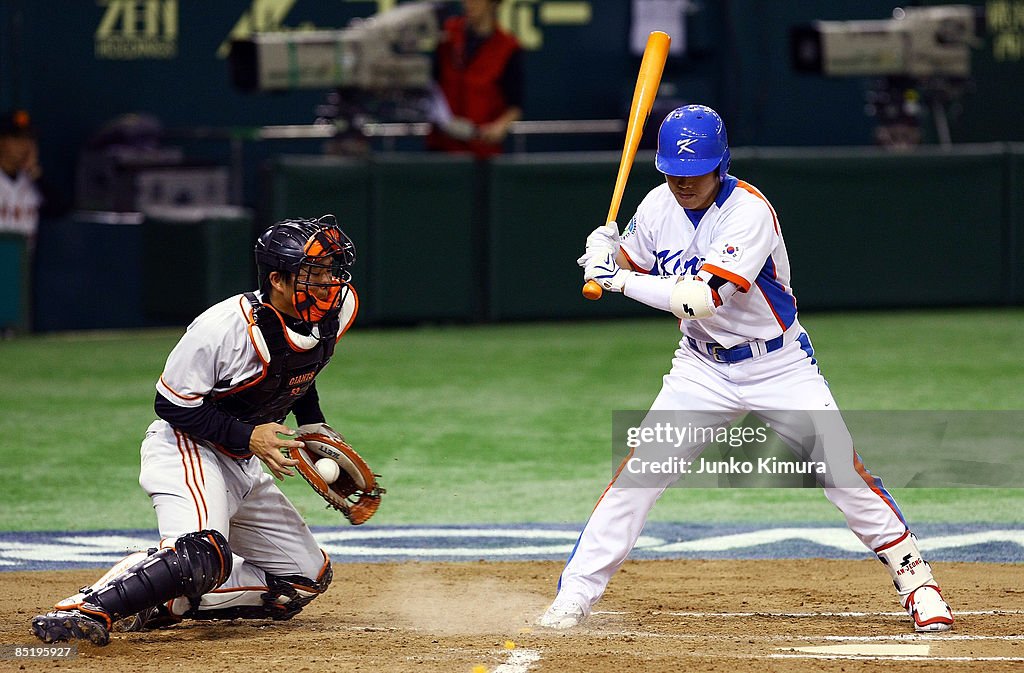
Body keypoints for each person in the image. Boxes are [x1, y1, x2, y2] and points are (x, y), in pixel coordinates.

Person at [537, 105, 954, 633]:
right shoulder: (658, 204)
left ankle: (918, 582)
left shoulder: (749, 211)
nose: (684, 182)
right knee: (639, 476)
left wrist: (614, 279)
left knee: (841, 472)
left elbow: (700, 299)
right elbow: (633, 262)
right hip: (700, 369)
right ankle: (574, 594)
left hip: (777, 363)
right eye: (674, 171)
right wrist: (606, 250)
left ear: (720, 164)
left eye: (696, 171)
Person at [32, 215, 360, 646]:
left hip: (241, 464)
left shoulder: (336, 309)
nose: (327, 284)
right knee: (203, 554)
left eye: (330, 272)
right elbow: (170, 405)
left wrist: (313, 426)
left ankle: (168, 599)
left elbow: (299, 368)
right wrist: (249, 436)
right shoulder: (222, 329)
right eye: (313, 275)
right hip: (187, 447)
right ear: (278, 279)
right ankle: (87, 607)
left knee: (303, 578)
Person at [426, 0, 523, 158]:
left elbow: (514, 106)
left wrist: (499, 127)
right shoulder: (447, 35)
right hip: (441, 147)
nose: (469, 4)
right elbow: (431, 85)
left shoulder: (508, 47)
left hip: (481, 150)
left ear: (493, 4)